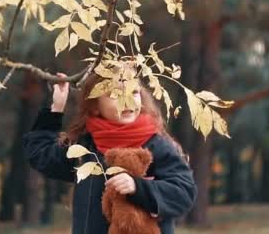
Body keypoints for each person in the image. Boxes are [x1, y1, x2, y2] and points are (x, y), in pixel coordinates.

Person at [23, 69, 197, 234]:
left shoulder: (156, 145)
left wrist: (138, 187)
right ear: (95, 107)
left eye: (133, 92)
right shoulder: (86, 146)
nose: (127, 100)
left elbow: (184, 191)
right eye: (115, 94)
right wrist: (56, 108)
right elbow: (42, 157)